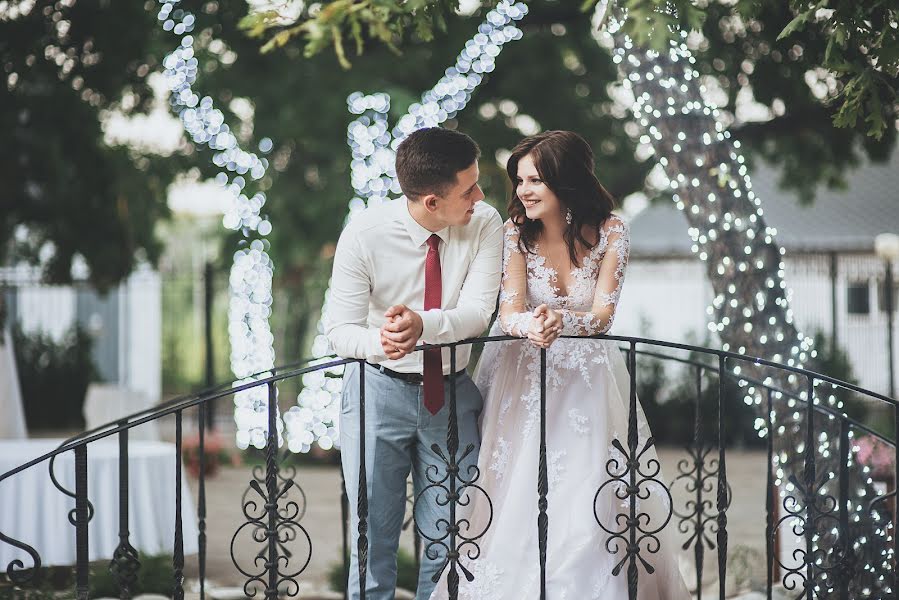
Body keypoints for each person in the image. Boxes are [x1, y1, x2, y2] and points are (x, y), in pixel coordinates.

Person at [430, 130, 690, 599]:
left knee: (590, 486)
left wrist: (562, 321)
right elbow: (507, 313)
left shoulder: (613, 231)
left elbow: (603, 316)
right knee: (516, 488)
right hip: (522, 375)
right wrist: (533, 325)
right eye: (520, 180)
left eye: (534, 180)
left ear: (565, 181)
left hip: (588, 377)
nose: (523, 190)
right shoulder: (513, 233)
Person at [326, 127, 504, 600]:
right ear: (431, 202)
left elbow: (478, 313)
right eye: (468, 189)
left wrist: (421, 326)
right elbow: (338, 329)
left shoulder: (485, 222)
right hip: (375, 393)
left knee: (452, 538)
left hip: (451, 393)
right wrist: (386, 342)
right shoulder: (363, 235)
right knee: (372, 539)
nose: (480, 196)